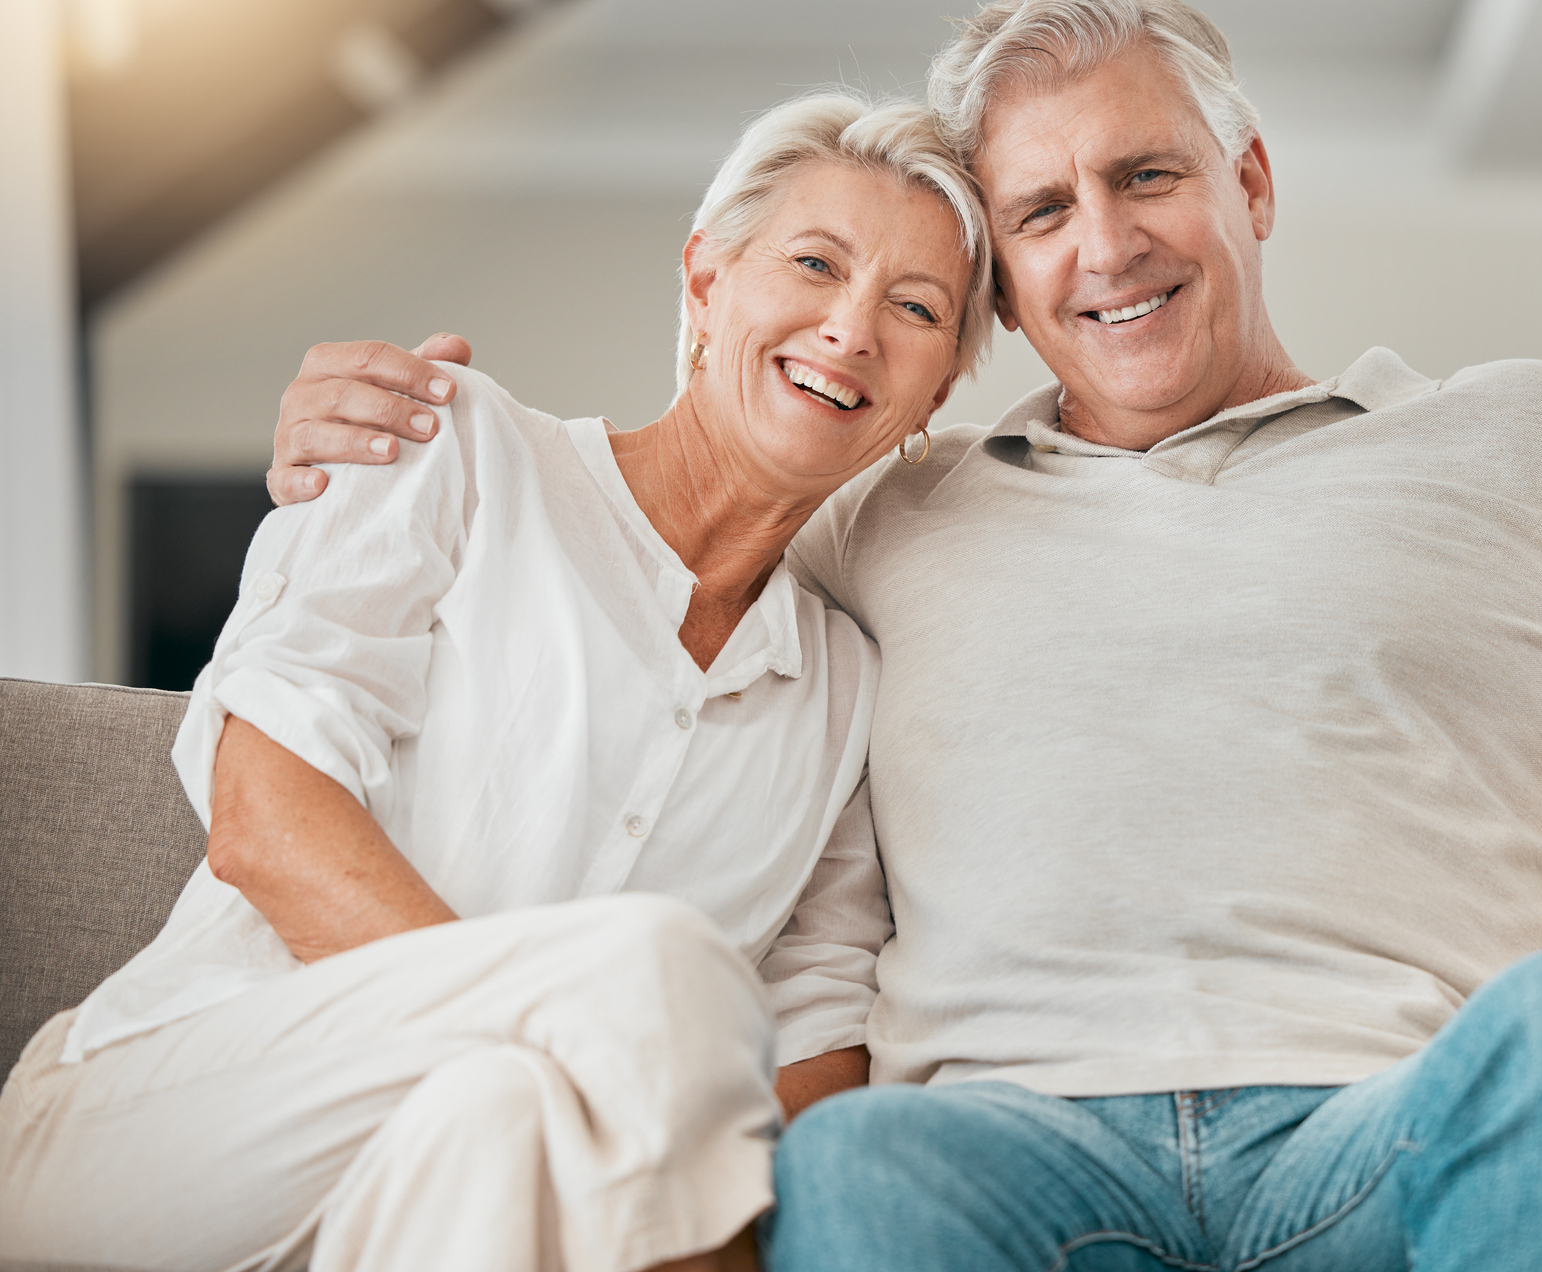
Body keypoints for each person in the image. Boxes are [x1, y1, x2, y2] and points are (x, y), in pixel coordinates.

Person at [260, 0, 1542, 1270]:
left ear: (1248, 188)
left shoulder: (1531, 439)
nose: (1102, 243)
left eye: (1146, 176)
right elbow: (642, 534)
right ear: (1003, 302)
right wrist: (382, 452)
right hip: (1006, 1160)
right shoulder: (885, 511)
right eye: (1038, 213)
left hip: (1391, 1130)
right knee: (859, 1162)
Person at [0, 93, 993, 1272]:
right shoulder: (450, 442)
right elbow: (263, 816)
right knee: (657, 969)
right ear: (706, 281)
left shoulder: (840, 689)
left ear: (938, 395)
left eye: (916, 308)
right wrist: (574, 1038)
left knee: (503, 1112)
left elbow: (820, 1044)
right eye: (814, 263)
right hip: (168, 1127)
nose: (851, 328)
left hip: (464, 1194)